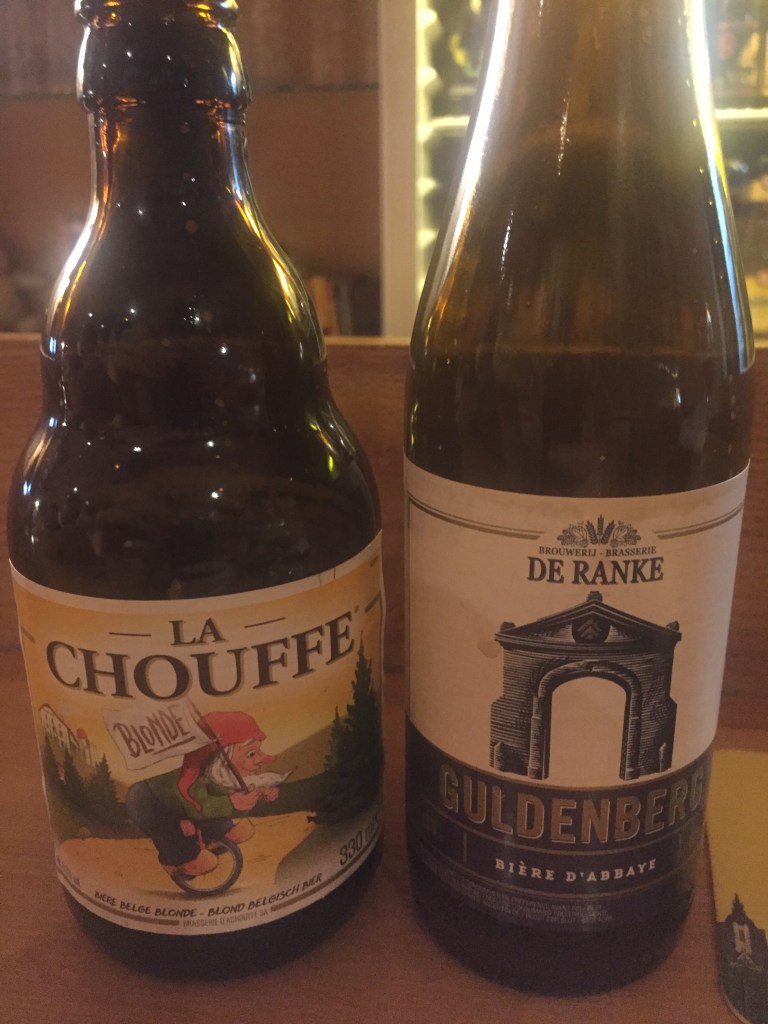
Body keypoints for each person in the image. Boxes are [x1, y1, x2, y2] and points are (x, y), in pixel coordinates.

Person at [126, 711, 280, 878]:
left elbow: (222, 803)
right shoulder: (191, 779)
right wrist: (231, 803)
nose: (260, 759)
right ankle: (177, 863)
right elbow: (200, 807)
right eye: (251, 754)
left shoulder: (215, 778)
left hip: (186, 806)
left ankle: (205, 844)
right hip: (148, 802)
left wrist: (258, 796)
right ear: (222, 756)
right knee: (183, 844)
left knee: (236, 828)